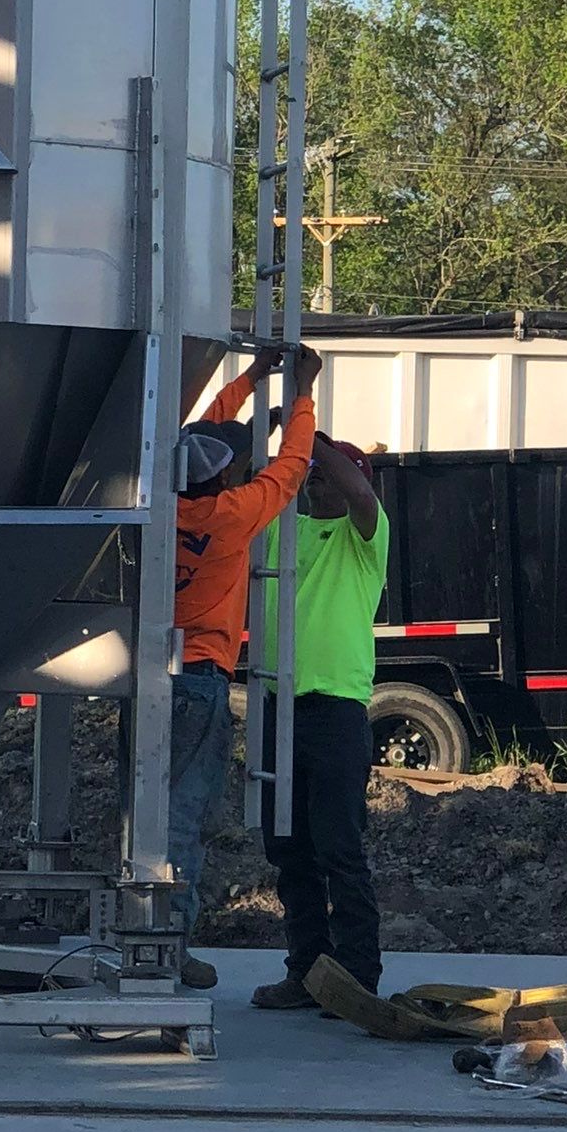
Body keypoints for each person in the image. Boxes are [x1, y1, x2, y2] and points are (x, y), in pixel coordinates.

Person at [163, 341, 320, 989]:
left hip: (144, 678)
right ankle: (165, 947)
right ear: (224, 478)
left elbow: (191, 437)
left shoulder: (156, 506)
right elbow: (291, 468)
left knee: (134, 815)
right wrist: (303, 394)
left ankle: (132, 931)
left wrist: (250, 379)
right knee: (182, 821)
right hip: (200, 681)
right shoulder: (230, 517)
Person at [248, 429, 390, 1012]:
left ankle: (356, 976)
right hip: (277, 706)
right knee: (288, 848)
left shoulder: (364, 538)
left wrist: (307, 436)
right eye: (309, 475)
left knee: (339, 848)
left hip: (335, 711)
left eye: (321, 475)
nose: (313, 483)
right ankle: (306, 972)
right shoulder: (288, 531)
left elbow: (358, 491)